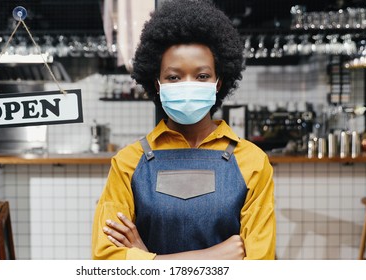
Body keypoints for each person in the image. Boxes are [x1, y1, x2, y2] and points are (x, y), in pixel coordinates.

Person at [91, 0, 275, 260]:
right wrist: (212, 256)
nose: (188, 85)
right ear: (157, 83)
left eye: (201, 76)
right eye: (174, 77)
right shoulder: (127, 164)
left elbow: (259, 266)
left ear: (218, 82)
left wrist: (147, 260)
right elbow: (107, 261)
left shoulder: (253, 163)